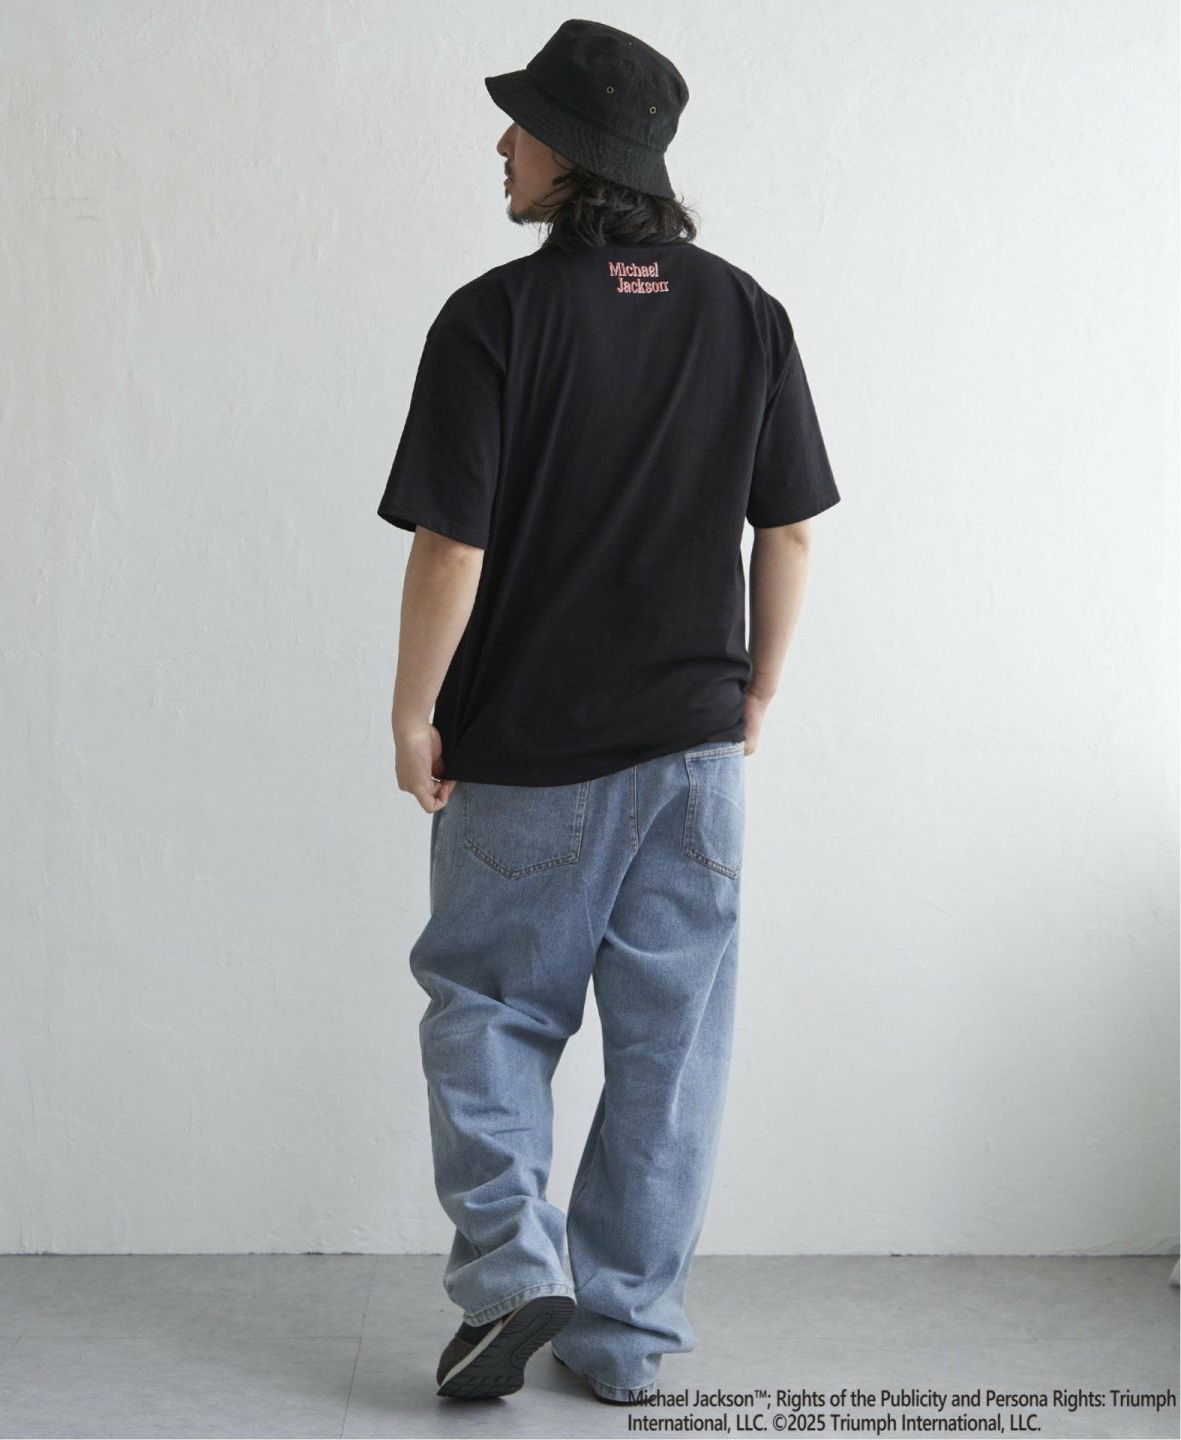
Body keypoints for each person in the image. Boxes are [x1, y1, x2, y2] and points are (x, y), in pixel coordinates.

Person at [376, 17, 841, 1408]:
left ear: (573, 153)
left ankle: (512, 1276)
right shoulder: (747, 311)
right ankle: (627, 1336)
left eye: (521, 125)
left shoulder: (493, 319)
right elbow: (790, 529)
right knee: (668, 1054)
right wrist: (757, 692)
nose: (501, 144)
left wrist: (411, 715)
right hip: (697, 759)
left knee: (486, 1012)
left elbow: (450, 545)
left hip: (524, 755)